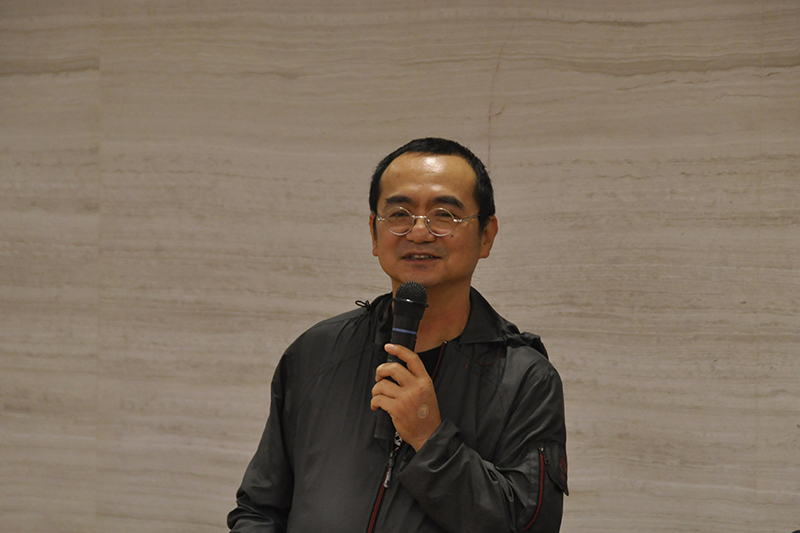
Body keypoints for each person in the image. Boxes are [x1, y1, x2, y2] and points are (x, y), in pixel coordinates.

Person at [228, 137, 568, 532]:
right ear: (375, 234)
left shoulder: (525, 380)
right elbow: (259, 510)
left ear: (486, 235)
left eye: (444, 215)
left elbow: (529, 526)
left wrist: (431, 438)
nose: (419, 233)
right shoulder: (316, 353)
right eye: (400, 214)